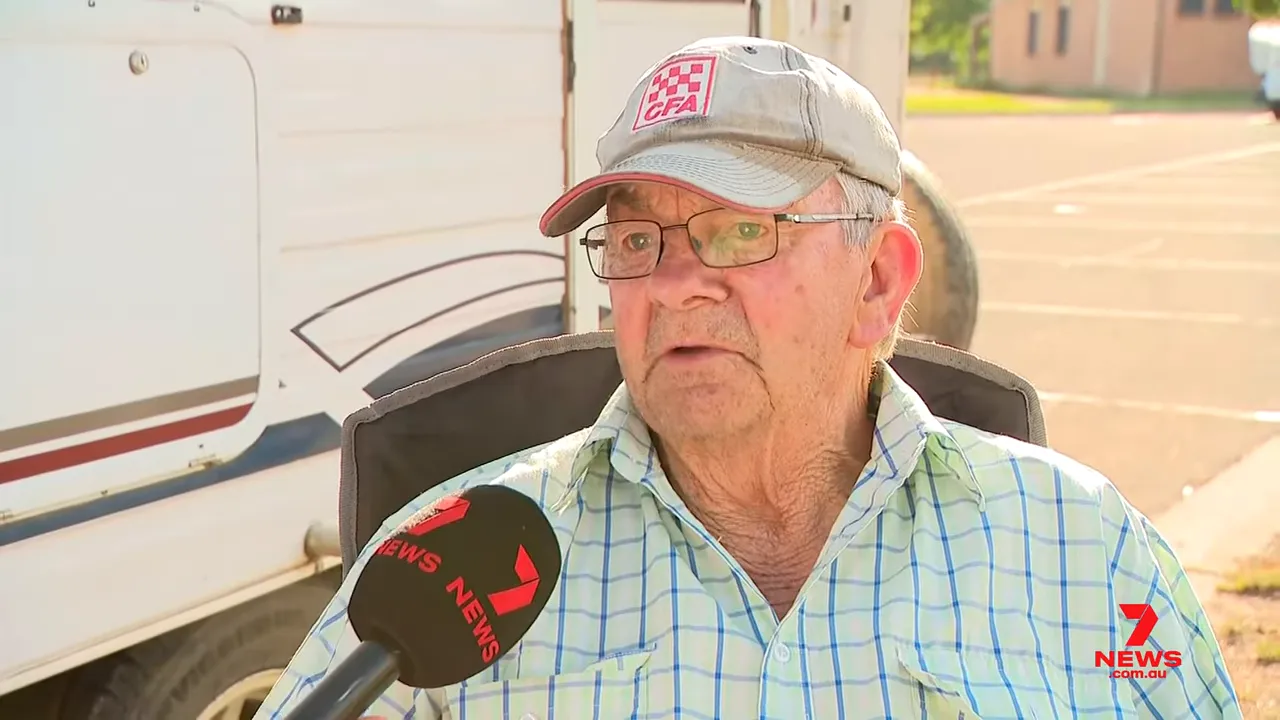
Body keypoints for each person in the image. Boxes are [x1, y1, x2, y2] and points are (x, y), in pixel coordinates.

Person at [255, 37, 1241, 719]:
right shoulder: (448, 568)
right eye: (637, 237)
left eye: (740, 228)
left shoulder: (1082, 550)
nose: (675, 282)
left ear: (877, 282)